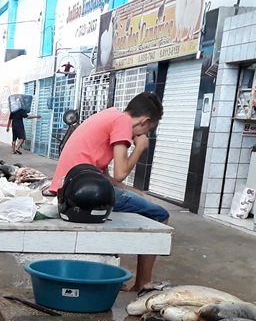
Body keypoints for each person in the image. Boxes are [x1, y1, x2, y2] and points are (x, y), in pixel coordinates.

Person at [49, 92, 168, 291]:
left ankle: (114, 274)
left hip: (71, 187)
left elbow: (108, 178)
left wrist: (136, 192)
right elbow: (120, 173)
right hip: (81, 192)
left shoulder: (109, 115)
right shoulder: (123, 122)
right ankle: (143, 283)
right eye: (148, 130)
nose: (142, 135)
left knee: (136, 204)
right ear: (145, 121)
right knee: (160, 215)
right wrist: (140, 148)